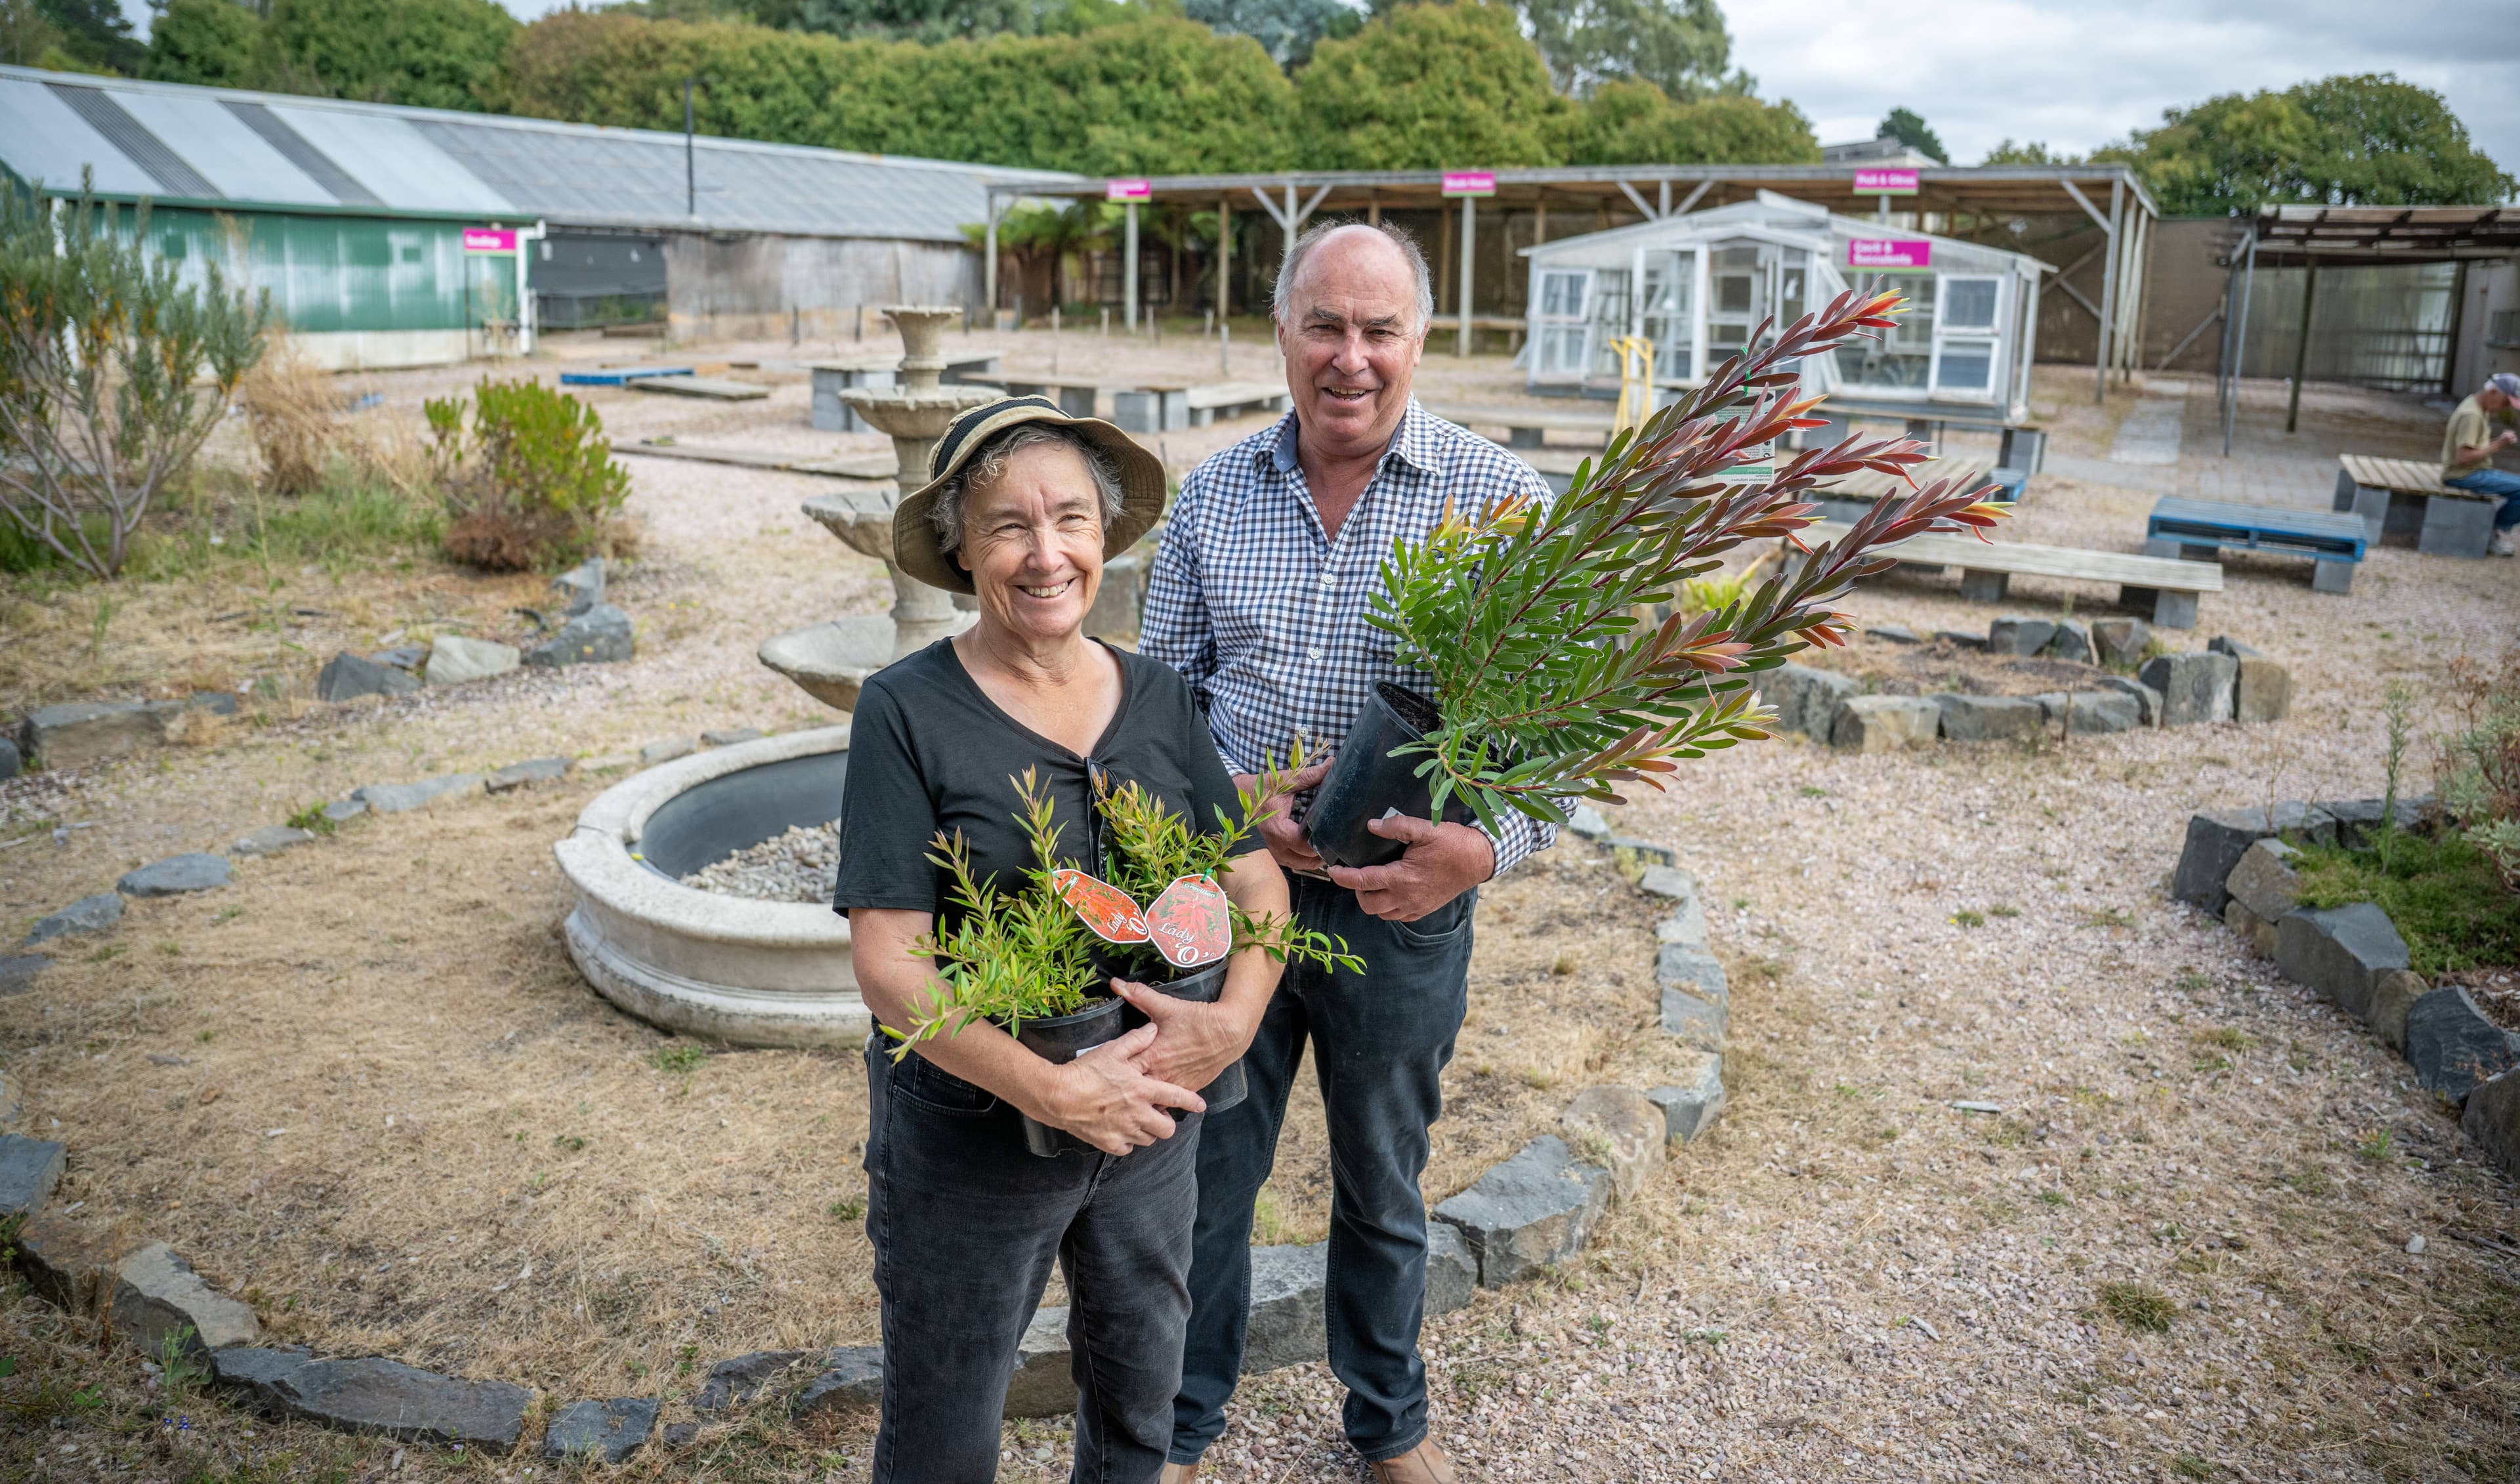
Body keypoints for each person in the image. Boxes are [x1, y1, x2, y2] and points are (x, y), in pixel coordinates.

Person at [1139, 221, 1556, 1484]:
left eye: (1380, 329)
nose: (1351, 357)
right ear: (1283, 333)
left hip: (1402, 912)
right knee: (1206, 1174)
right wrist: (1228, 813)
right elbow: (1156, 710)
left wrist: (1479, 853)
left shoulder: (1501, 505)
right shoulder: (1212, 496)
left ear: (1422, 340)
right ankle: (1180, 1429)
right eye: (1325, 325)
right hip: (1235, 902)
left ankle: (1389, 1426)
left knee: (1384, 1180)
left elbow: (1556, 740)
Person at [833, 397, 1295, 1484]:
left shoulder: (1159, 697)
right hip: (972, 1139)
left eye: (1071, 520)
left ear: (1103, 535)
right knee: (946, 1428)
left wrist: (1233, 1021)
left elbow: (1259, 884)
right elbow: (890, 966)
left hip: (1153, 1127)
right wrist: (1052, 1090)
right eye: (1010, 526)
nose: (1048, 554)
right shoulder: (904, 710)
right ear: (959, 546)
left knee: (1141, 1399)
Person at [2443, 371, 2520, 557]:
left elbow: (2472, 448)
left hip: (2474, 470)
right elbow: (2463, 458)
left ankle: (2493, 531)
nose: (2504, 408)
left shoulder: (2477, 405)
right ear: (2493, 392)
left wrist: (2496, 442)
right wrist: (2498, 444)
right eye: (2505, 402)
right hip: (2463, 474)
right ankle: (2491, 533)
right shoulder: (2472, 415)